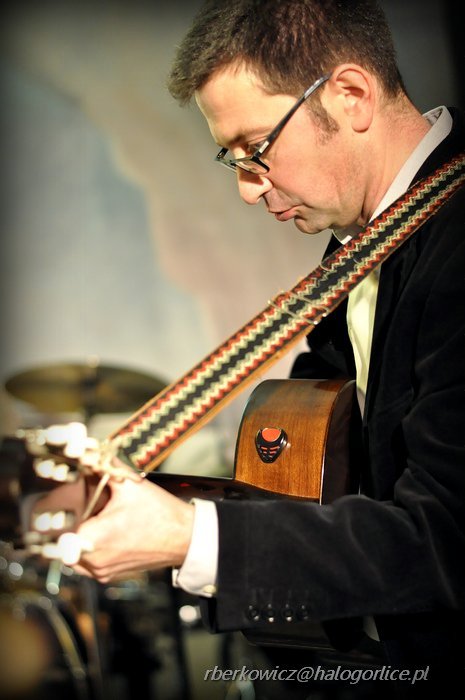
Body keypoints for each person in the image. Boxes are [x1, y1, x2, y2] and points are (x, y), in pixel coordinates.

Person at [72, 0, 464, 694]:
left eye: (256, 150)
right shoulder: (364, 247)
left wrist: (191, 538)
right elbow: (314, 472)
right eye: (233, 160)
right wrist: (142, 498)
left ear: (351, 95)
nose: (248, 190)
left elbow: (447, 541)